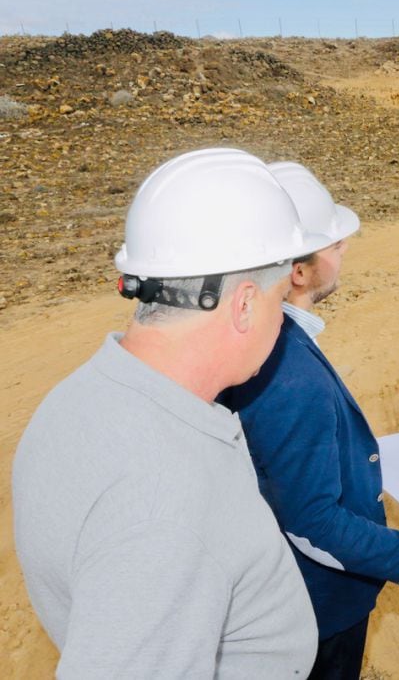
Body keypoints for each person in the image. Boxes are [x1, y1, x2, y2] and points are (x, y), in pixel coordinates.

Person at [13, 148, 330, 678]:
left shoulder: (84, 394)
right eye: (281, 302)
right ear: (245, 304)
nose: (283, 324)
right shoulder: (165, 508)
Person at [219, 161, 399, 679]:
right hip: (314, 608)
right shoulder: (286, 372)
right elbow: (313, 523)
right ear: (297, 272)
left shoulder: (243, 344)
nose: (345, 249)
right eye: (334, 244)